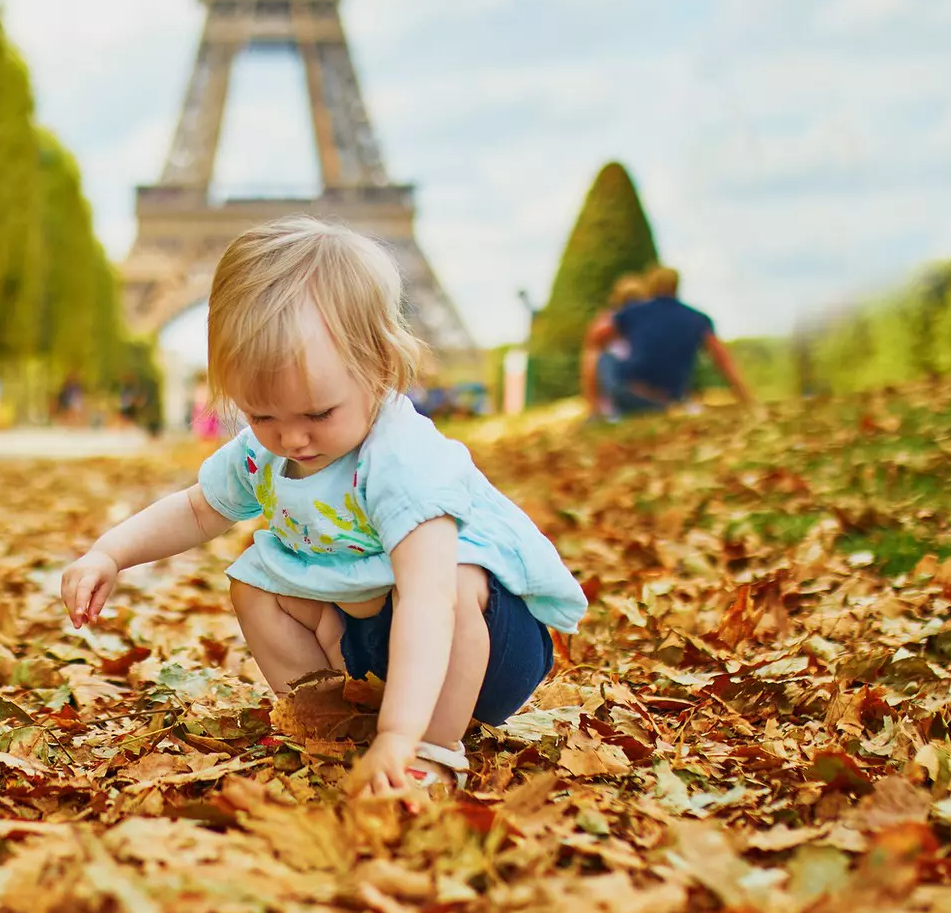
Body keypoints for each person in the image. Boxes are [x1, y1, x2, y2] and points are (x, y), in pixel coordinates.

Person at [59, 217, 586, 795]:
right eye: (263, 416)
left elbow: (428, 604)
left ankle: (429, 750)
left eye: (317, 415)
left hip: (484, 646)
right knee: (254, 583)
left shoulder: (403, 460)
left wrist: (400, 733)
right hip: (372, 640)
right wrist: (110, 554)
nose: (292, 439)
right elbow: (196, 510)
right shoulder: (266, 452)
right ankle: (327, 714)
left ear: (380, 369)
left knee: (457, 580)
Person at [581, 267, 754, 420]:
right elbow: (723, 361)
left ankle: (595, 413)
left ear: (650, 287)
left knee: (603, 355)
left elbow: (595, 338)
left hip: (629, 396)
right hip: (671, 400)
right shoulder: (697, 319)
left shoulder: (634, 312)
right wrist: (747, 399)